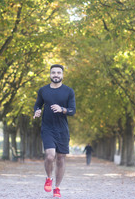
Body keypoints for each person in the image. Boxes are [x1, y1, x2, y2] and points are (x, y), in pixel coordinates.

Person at [33, 64, 76, 198]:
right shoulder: (43, 90)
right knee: (50, 156)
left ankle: (57, 188)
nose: (56, 75)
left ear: (62, 75)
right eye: (53, 73)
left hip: (62, 130)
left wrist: (62, 109)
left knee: (61, 159)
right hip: (47, 128)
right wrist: (37, 111)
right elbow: (37, 104)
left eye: (58, 73)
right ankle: (48, 178)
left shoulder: (69, 91)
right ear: (50, 74)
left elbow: (72, 110)